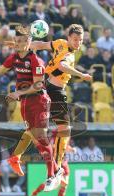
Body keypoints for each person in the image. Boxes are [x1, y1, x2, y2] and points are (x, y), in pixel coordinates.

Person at [0, 24, 62, 192]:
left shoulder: (35, 61)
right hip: (25, 103)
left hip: (39, 101)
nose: (17, 44)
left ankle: (51, 175)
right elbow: (0, 69)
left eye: (21, 41)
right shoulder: (15, 57)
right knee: (35, 139)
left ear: (29, 42)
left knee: (40, 136)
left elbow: (39, 85)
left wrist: (18, 92)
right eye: (16, 40)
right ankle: (55, 169)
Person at [5, 24, 92, 172]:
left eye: (81, 40)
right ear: (69, 38)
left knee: (35, 128)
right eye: (75, 39)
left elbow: (41, 44)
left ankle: (16, 156)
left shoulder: (60, 43)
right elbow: (63, 65)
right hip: (54, 89)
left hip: (45, 85)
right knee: (64, 128)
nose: (78, 43)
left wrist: (24, 46)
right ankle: (57, 167)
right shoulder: (69, 54)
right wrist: (81, 74)